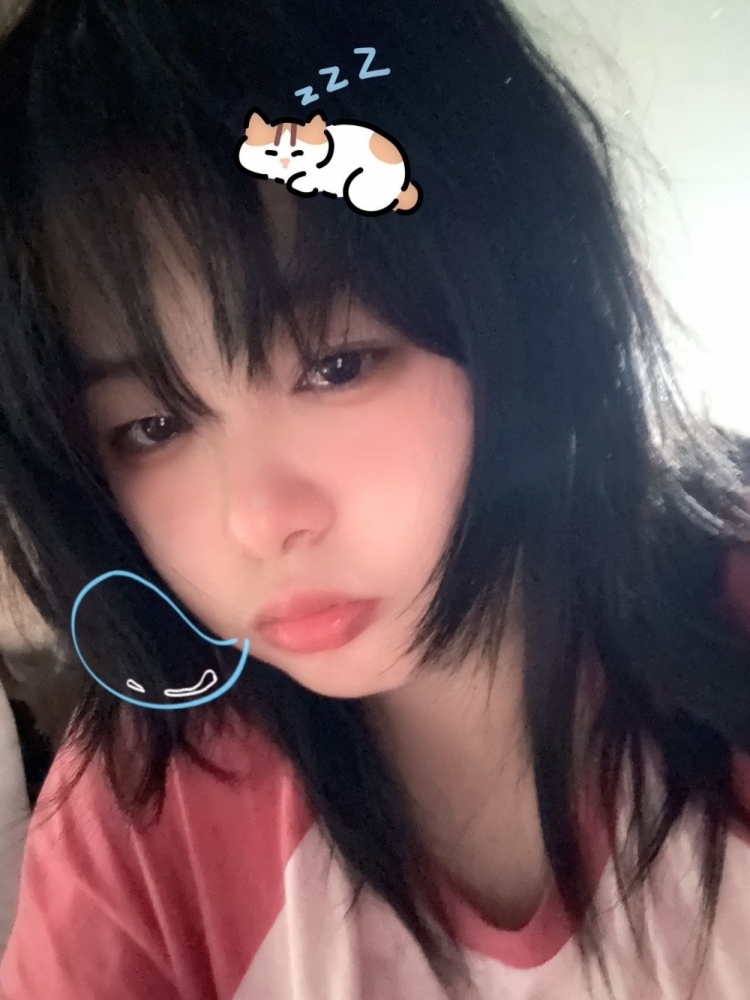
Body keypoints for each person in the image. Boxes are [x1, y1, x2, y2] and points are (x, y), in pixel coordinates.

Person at [1, 0, 750, 997]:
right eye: (153, 425)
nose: (259, 522)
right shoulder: (143, 804)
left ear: (521, 299)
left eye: (338, 365)